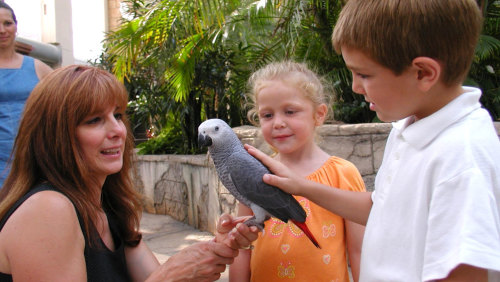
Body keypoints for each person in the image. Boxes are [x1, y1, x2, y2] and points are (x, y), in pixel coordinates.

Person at [246, 0, 500, 281]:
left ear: (423, 73)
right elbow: (383, 210)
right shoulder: (409, 128)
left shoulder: (462, 157)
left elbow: (464, 274)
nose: (355, 86)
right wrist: (301, 187)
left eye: (364, 74)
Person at [0, 65, 259, 281]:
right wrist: (168, 276)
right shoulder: (46, 210)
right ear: (54, 136)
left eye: (117, 115)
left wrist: (212, 251)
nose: (118, 131)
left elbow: (153, 276)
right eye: (94, 120)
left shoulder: (106, 206)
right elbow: (161, 279)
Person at [229, 61, 366, 282]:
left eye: (290, 111)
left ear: (319, 114)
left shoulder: (344, 174)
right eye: (267, 115)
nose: (278, 123)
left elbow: (359, 251)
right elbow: (243, 248)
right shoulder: (254, 174)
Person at [0, 2, 53, 188]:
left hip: (35, 161)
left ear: (16, 26)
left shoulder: (38, 68)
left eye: (7, 23)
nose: (2, 30)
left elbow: (65, 103)